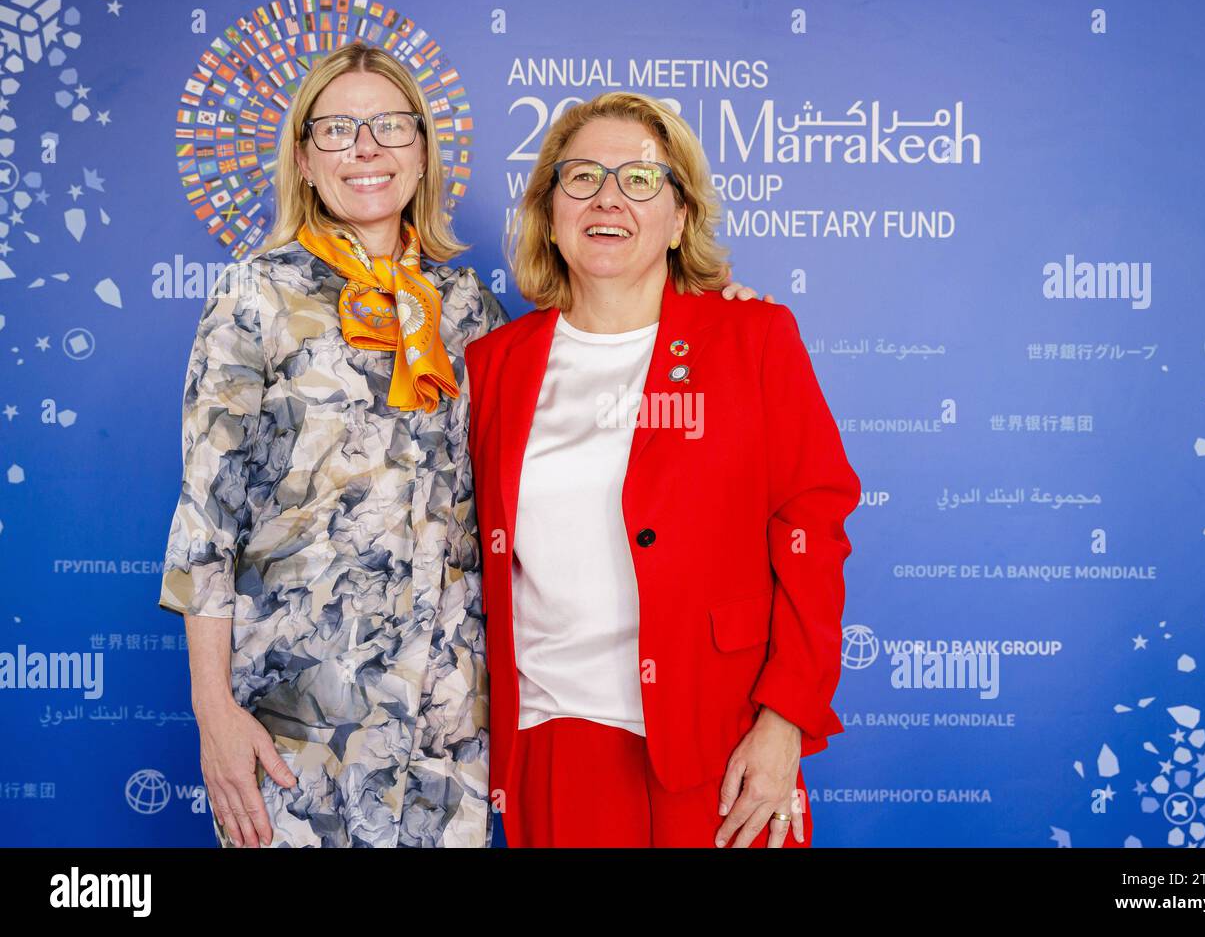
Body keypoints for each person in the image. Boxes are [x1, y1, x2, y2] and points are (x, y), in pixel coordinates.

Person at [158, 44, 766, 848]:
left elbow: (587, 391)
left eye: (390, 127)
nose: (366, 148)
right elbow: (207, 526)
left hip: (453, 735)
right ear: (304, 159)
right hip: (299, 726)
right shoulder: (252, 297)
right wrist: (214, 714)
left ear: (421, 153)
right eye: (337, 129)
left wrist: (708, 319)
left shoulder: (471, 311)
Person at [465, 92, 860, 848]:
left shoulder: (754, 338)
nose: (608, 197)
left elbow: (816, 534)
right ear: (550, 212)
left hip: (724, 742)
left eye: (640, 179)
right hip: (556, 741)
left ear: (680, 217)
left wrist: (786, 724)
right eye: (581, 177)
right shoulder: (495, 366)